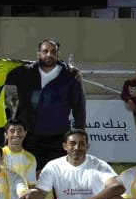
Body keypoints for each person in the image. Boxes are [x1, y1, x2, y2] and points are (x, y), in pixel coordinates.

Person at [7, 39, 86, 169]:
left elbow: (79, 107)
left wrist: (80, 132)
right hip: (29, 136)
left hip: (58, 137)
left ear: (58, 54)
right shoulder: (25, 73)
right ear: (38, 53)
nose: (49, 54)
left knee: (58, 175)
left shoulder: (70, 76)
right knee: (30, 174)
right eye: (45, 51)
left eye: (53, 52)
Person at [1, 119, 47, 199]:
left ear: (25, 133)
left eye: (19, 130)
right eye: (12, 131)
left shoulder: (30, 158)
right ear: (6, 135)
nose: (16, 134)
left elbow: (31, 188)